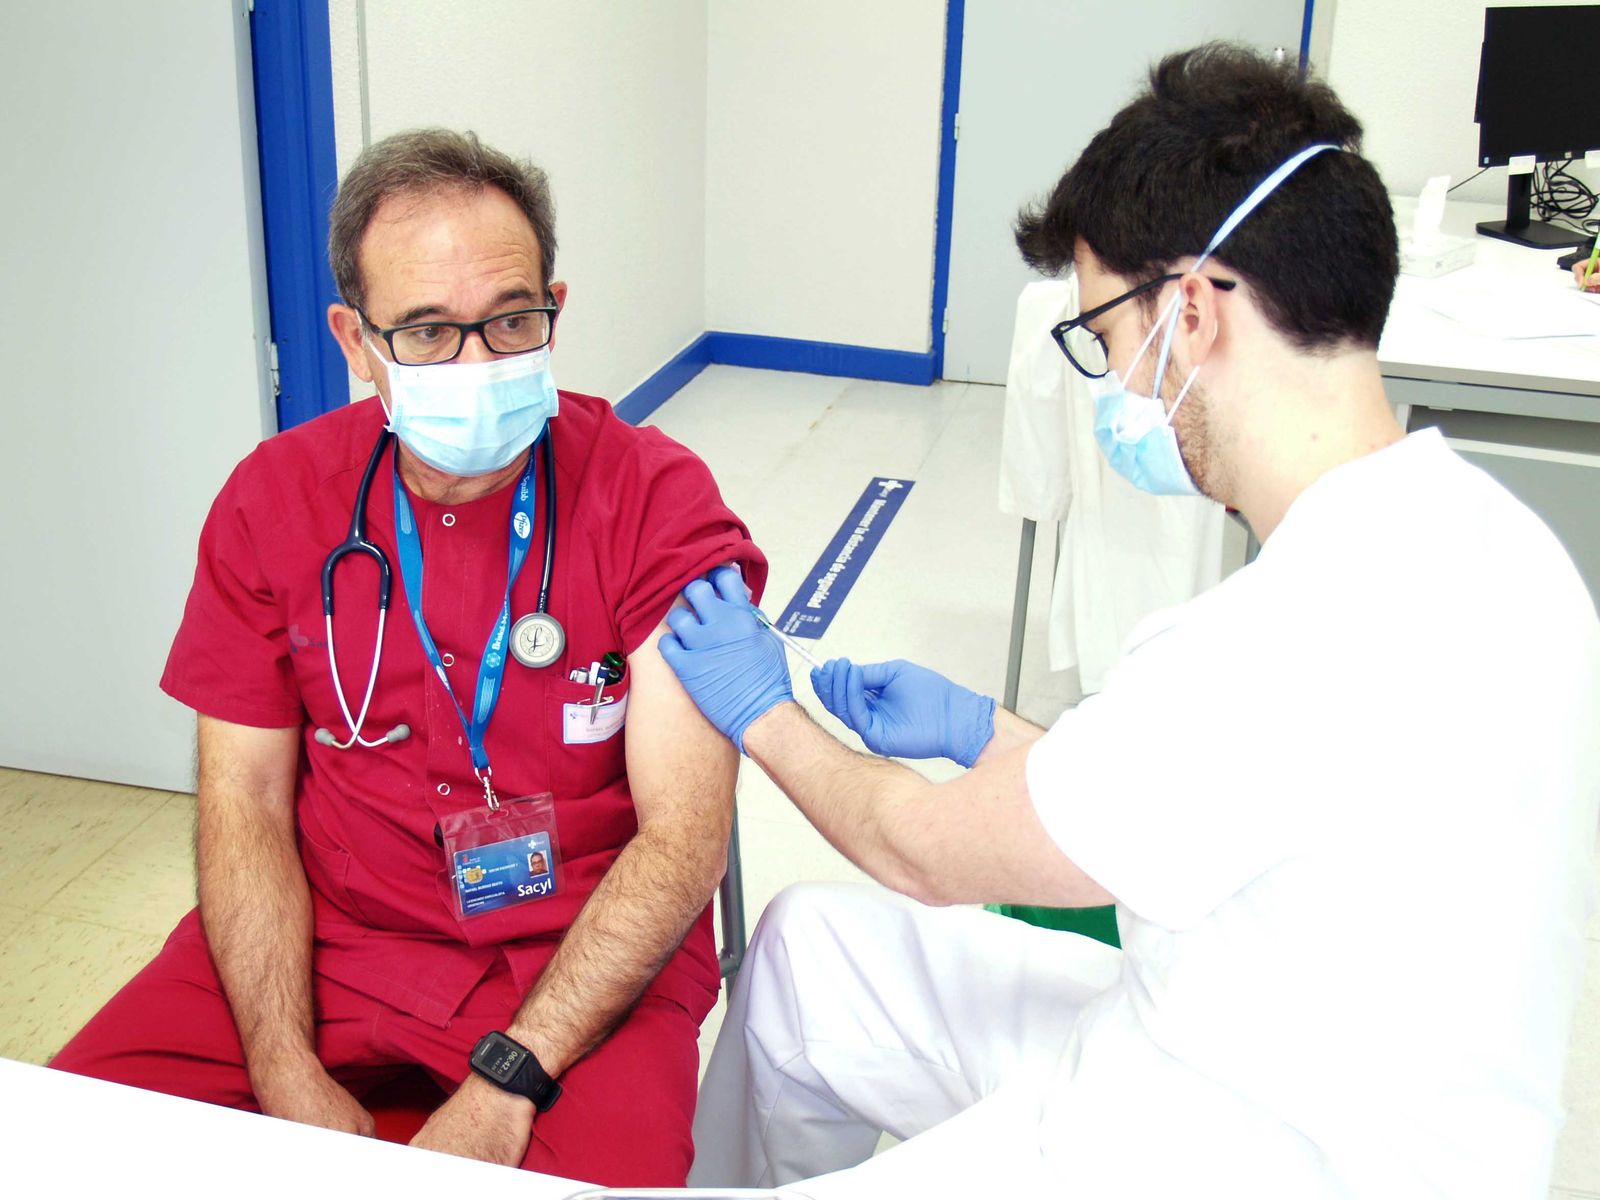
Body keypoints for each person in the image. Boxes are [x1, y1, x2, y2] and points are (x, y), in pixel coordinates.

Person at [659, 45, 1600, 1199]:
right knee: (809, 954)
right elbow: (1225, 799)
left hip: (1235, 1149)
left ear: (1193, 311)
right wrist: (987, 732)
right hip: (1291, 1057)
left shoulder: (1265, 644)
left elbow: (922, 855)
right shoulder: (1499, 541)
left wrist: (764, 716)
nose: (1121, 390)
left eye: (1105, 340)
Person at [51, 129, 766, 1188]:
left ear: (553, 306)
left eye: (512, 320)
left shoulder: (653, 500)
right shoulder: (275, 500)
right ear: (354, 340)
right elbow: (242, 800)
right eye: (427, 332)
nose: (478, 363)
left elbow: (684, 837)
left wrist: (508, 1080)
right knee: (64, 1146)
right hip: (325, 934)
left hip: (579, 962)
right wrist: (280, 1062)